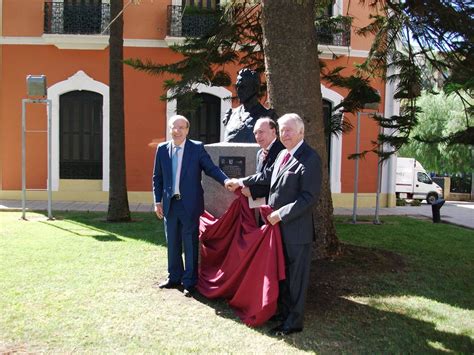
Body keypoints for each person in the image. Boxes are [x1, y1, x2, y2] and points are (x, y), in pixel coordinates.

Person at [226, 113, 322, 335]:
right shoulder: (282, 156)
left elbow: (309, 198)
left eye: (289, 130)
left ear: (301, 132)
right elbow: (267, 177)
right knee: (285, 276)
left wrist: (280, 213)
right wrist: (240, 182)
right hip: (278, 229)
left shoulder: (310, 158)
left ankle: (294, 322)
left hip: (297, 232)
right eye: (281, 130)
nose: (284, 134)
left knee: (296, 279)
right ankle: (283, 314)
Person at [153, 115, 229, 297]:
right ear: (170, 129)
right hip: (170, 204)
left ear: (187, 130)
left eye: (181, 127)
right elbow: (157, 178)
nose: (177, 131)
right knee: (172, 242)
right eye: (174, 127)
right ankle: (174, 277)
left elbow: (211, 168)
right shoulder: (162, 149)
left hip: (190, 204)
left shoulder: (196, 148)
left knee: (190, 242)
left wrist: (225, 180)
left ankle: (190, 281)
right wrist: (157, 201)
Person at [223, 68, 277, 143]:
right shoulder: (230, 114)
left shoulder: (268, 116)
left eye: (243, 87)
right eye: (237, 87)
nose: (238, 91)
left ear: (255, 88)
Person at [241, 117, 284, 203]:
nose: (257, 136)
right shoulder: (260, 153)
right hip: (263, 206)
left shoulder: (282, 150)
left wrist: (253, 191)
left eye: (261, 132)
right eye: (255, 133)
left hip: (278, 207)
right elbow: (260, 178)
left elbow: (277, 181)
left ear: (273, 131)